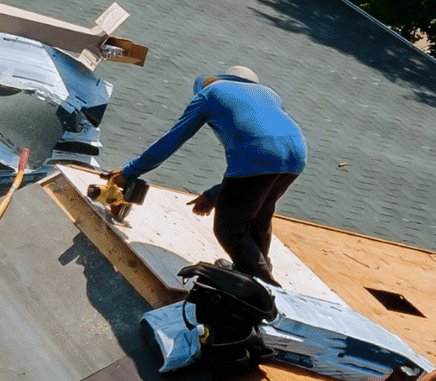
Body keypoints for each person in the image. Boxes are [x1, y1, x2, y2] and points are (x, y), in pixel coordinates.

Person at [109, 65, 306, 283]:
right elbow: (257, 177)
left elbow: (171, 140)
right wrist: (214, 195)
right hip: (296, 154)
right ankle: (252, 270)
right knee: (259, 214)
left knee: (228, 229)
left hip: (257, 156)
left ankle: (266, 291)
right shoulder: (270, 94)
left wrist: (129, 171)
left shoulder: (210, 93)